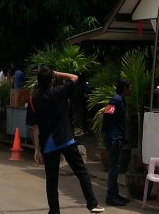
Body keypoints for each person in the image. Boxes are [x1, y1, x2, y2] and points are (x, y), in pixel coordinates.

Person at [26, 66, 104, 214]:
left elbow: (35, 128)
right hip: (65, 139)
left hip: (48, 144)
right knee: (81, 172)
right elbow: (75, 78)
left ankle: (54, 211)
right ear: (51, 80)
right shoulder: (59, 92)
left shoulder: (33, 101)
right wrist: (56, 73)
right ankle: (92, 204)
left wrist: (37, 149)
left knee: (52, 181)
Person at [103, 78, 131, 206]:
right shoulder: (116, 100)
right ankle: (111, 196)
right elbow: (107, 115)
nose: (131, 90)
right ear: (125, 88)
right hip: (114, 138)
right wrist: (111, 133)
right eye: (129, 87)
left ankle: (115, 193)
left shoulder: (121, 100)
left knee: (116, 166)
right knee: (114, 167)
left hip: (118, 137)